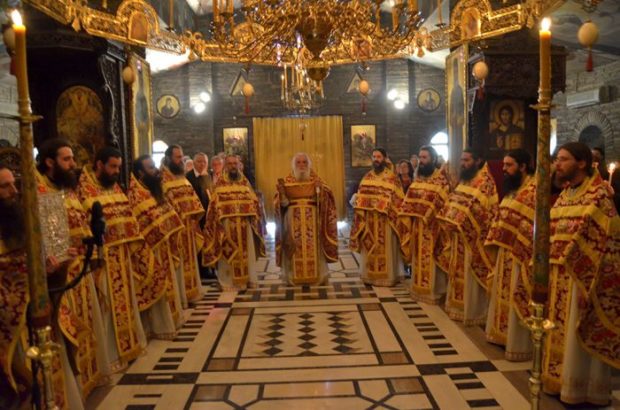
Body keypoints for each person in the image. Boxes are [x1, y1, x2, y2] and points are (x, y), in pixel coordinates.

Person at [0, 164, 82, 409]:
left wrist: (54, 263)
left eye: (13, 184)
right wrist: (34, 269)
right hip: (9, 324)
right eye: (5, 186)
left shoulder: (15, 221)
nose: (14, 191)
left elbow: (30, 256)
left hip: (32, 311)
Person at [543, 142, 619, 405]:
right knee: (558, 332)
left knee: (577, 333)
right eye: (557, 159)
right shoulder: (565, 194)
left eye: (563, 159)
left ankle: (582, 389)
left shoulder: (598, 195)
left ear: (582, 163)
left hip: (584, 279)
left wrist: (573, 259)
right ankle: (558, 381)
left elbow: (607, 240)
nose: (557, 164)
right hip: (559, 277)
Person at [35, 138, 109, 397]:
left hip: (80, 271)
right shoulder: (40, 192)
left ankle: (86, 382)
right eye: (66, 159)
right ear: (49, 162)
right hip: (62, 278)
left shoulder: (67, 188)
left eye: (72, 159)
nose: (73, 164)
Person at [77, 147, 152, 371]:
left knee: (125, 304)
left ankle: (129, 347)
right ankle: (110, 356)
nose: (116, 171)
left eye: (119, 167)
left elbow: (127, 216)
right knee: (106, 307)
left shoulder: (115, 187)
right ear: (99, 164)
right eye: (113, 166)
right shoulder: (84, 190)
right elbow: (82, 226)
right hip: (101, 261)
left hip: (122, 256)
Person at [435, 149, 498, 325]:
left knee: (470, 275)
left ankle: (474, 311)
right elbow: (453, 202)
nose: (462, 163)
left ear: (478, 161)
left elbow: (484, 212)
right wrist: (447, 217)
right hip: (458, 237)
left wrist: (463, 222)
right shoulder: (465, 180)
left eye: (466, 160)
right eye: (462, 160)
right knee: (458, 272)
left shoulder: (484, 183)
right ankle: (458, 307)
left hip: (474, 239)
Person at [484, 149, 536, 361]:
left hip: (520, 255)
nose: (504, 169)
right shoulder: (513, 190)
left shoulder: (532, 191)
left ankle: (518, 342)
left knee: (516, 291)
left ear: (523, 166)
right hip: (505, 251)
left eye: (509, 165)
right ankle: (502, 334)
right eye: (504, 165)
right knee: (503, 293)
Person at [129, 155, 186, 333]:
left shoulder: (154, 191)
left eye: (154, 166)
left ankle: (171, 319)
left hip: (164, 247)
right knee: (156, 285)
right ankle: (158, 326)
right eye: (151, 168)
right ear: (140, 173)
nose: (156, 171)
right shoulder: (135, 196)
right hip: (150, 252)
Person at [274, 153, 338, 286]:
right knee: (293, 247)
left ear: (309, 165)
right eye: (298, 162)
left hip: (312, 220)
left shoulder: (317, 180)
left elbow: (325, 201)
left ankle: (317, 277)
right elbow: (283, 204)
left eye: (304, 162)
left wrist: (320, 190)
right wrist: (282, 194)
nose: (302, 165)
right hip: (292, 220)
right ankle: (292, 277)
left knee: (314, 247)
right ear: (294, 165)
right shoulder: (286, 181)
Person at [203, 155, 266, 290]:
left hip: (244, 224)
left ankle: (249, 279)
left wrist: (254, 214)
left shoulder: (245, 182)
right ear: (226, 166)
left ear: (239, 165)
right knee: (228, 253)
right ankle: (227, 281)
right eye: (230, 164)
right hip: (226, 225)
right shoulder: (220, 183)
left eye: (235, 164)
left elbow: (254, 202)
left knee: (246, 253)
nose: (233, 166)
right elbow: (213, 207)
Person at [399, 146, 451, 304]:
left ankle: (435, 291)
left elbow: (444, 203)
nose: (421, 161)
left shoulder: (441, 181)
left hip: (434, 229)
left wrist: (428, 214)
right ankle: (417, 288)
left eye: (424, 157)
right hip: (417, 227)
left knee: (432, 259)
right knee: (418, 257)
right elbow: (408, 200)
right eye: (420, 157)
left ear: (433, 159)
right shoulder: (418, 180)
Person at [350, 148, 405, 286]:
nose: (376, 159)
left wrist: (386, 206)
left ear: (385, 158)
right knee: (370, 248)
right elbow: (361, 196)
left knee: (386, 250)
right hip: (369, 221)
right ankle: (370, 276)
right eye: (374, 157)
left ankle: (388, 277)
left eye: (379, 157)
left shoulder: (392, 178)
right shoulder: (367, 177)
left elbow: (399, 200)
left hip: (386, 221)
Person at [161, 145, 205, 305]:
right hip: (175, 230)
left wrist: (195, 218)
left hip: (188, 227)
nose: (181, 160)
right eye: (177, 157)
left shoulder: (182, 177)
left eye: (181, 156)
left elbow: (193, 198)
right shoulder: (162, 179)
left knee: (189, 262)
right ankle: (181, 297)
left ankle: (191, 293)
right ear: (169, 158)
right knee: (178, 263)